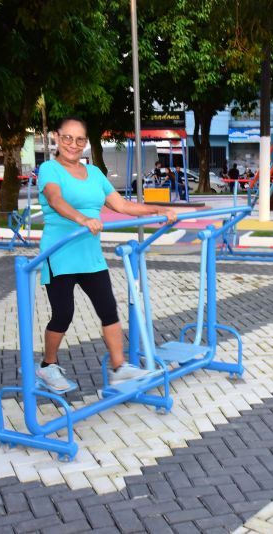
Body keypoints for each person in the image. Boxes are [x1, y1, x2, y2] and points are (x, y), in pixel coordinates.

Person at [36, 116, 178, 393]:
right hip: (59, 253)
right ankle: (47, 366)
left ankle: (119, 368)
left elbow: (122, 205)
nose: (73, 145)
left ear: (85, 142)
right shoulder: (49, 169)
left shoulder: (96, 174)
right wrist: (82, 219)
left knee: (108, 309)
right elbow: (55, 200)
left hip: (89, 254)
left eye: (79, 140)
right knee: (63, 313)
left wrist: (158, 211)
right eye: (67, 138)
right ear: (56, 137)